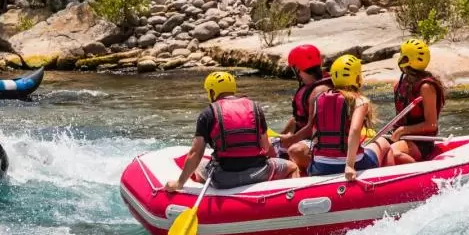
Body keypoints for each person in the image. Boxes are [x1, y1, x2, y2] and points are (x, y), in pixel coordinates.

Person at [163, 72, 299, 191]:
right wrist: (272, 162)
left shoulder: (208, 113)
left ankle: (215, 199)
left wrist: (179, 183)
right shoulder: (255, 108)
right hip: (259, 173)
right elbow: (265, 146)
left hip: (223, 179)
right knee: (292, 167)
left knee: (199, 167)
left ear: (212, 92)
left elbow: (195, 153)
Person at [281, 55, 392, 181]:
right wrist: (349, 166)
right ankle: (388, 185)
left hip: (319, 166)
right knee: (384, 143)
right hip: (353, 164)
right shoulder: (360, 100)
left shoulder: (319, 99)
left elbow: (313, 132)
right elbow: (354, 131)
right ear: (357, 77)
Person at [389, 38, 446, 164]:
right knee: (373, 149)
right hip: (400, 137)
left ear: (405, 60)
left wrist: (403, 130)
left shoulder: (426, 87)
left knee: (393, 154)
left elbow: (431, 125)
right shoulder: (398, 84)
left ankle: (422, 174)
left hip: (421, 141)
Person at [281, 44, 332, 173]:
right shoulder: (308, 88)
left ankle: (314, 171)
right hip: (307, 138)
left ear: (297, 68)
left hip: (320, 141)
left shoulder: (320, 90)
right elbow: (297, 119)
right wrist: (282, 136)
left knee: (295, 151)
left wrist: (290, 140)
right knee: (272, 145)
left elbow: (311, 128)